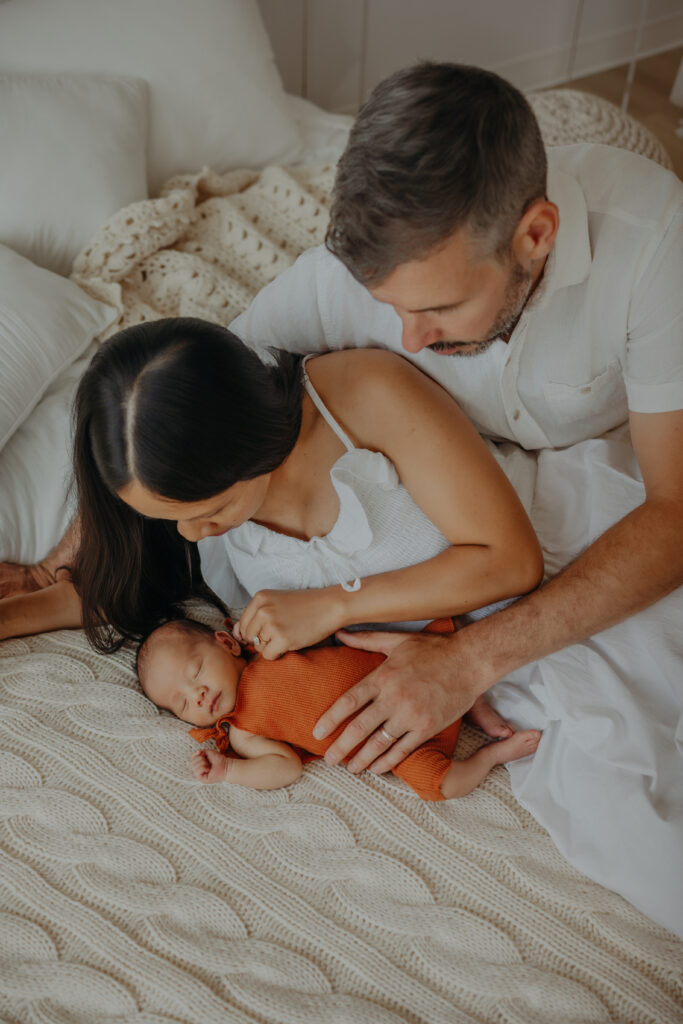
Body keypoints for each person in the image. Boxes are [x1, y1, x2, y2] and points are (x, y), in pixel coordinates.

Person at [0, 316, 542, 676]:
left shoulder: (367, 396)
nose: (190, 534)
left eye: (209, 513)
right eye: (171, 520)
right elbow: (123, 586)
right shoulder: (172, 476)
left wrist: (333, 605)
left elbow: (512, 561)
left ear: (249, 444)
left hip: (532, 614)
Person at [137, 617, 541, 800]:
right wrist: (230, 770)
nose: (199, 694)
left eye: (196, 672)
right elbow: (285, 767)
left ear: (225, 643)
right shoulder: (244, 731)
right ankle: (491, 756)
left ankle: (472, 699)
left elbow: (311, 627)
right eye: (183, 703)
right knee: (441, 785)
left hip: (409, 672)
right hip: (405, 744)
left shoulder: (269, 648)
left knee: (433, 639)